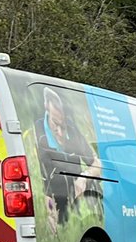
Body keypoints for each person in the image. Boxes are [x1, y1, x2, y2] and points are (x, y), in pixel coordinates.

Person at [35, 87, 102, 230]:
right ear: (46, 106)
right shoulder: (38, 134)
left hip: (79, 199)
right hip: (55, 199)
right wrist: (48, 211)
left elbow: (97, 164)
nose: (60, 133)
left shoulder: (72, 129)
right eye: (55, 125)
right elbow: (41, 182)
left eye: (63, 126)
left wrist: (84, 177)